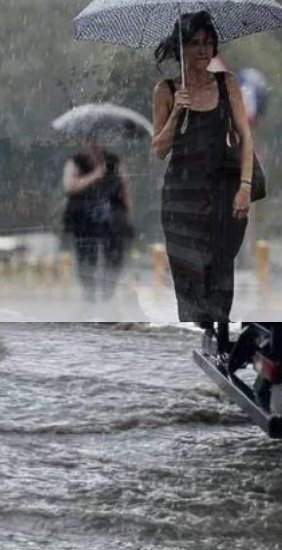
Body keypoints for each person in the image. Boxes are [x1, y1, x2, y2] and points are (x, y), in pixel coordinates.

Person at [150, 10, 255, 327]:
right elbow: (158, 150)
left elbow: (245, 137)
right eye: (195, 43)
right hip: (181, 196)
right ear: (180, 48)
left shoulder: (227, 84)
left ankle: (221, 330)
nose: (202, 50)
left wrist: (245, 187)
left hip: (222, 189)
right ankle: (205, 326)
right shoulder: (166, 91)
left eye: (208, 43)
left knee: (221, 269)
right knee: (191, 270)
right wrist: (175, 114)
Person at [62, 136, 133, 304]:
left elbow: (125, 185)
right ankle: (90, 296)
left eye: (95, 139)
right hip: (83, 219)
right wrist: (95, 175)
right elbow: (70, 186)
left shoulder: (113, 161)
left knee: (114, 256)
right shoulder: (75, 162)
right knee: (86, 257)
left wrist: (128, 211)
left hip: (111, 218)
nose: (93, 144)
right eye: (88, 140)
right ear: (82, 143)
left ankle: (108, 294)